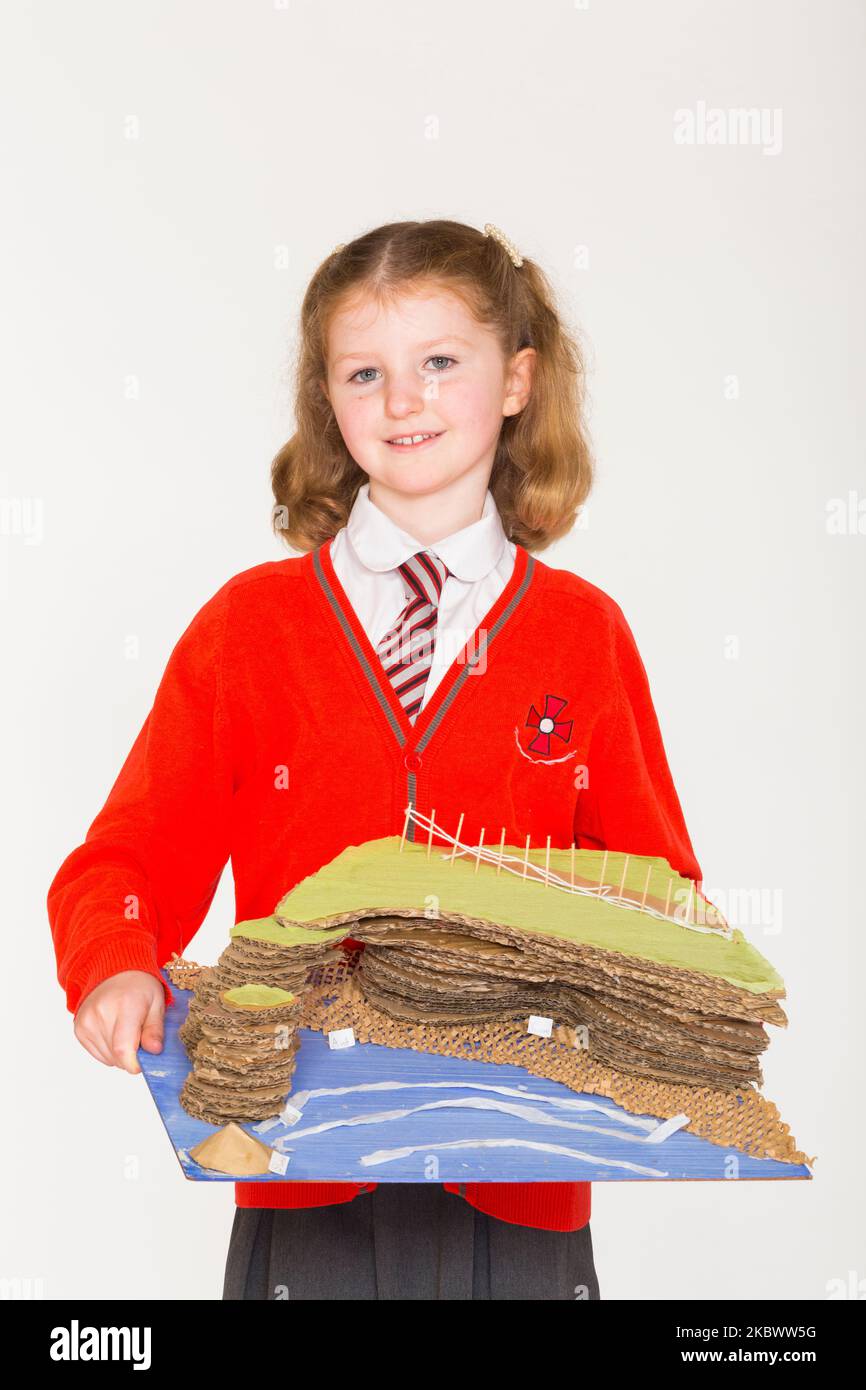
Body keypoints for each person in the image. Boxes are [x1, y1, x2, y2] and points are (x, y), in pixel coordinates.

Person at [47, 218, 703, 1300]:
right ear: (327, 400)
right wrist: (115, 958)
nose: (403, 400)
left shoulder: (581, 634)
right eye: (366, 372)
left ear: (515, 379)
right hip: (299, 1176)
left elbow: (656, 891)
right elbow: (126, 855)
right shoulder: (246, 629)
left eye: (439, 361)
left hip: (516, 1184)